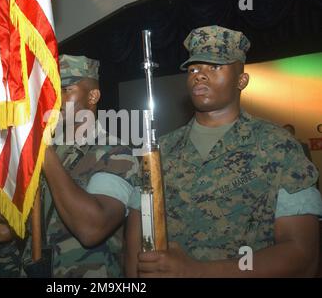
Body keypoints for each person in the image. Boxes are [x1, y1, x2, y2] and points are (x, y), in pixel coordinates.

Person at [127, 25, 322, 277]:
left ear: (241, 80)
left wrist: (196, 271)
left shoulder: (278, 147)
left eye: (215, 67)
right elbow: (136, 249)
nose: (199, 75)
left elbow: (302, 256)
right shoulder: (159, 152)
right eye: (194, 68)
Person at [21, 54, 140, 278]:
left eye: (66, 90)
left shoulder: (114, 153)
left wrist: (43, 149)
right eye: (52, 90)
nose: (55, 99)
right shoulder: (52, 151)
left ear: (93, 96)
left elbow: (92, 229)